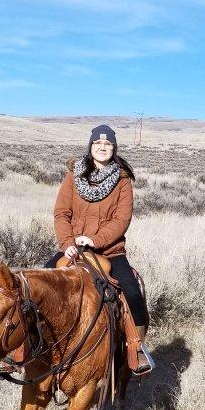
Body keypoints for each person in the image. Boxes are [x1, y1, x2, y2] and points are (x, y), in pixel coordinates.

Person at [50, 124, 153, 376]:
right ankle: (28, 349)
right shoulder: (73, 176)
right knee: (41, 285)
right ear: (91, 146)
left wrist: (95, 240)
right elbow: (62, 213)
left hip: (110, 251)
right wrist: (68, 244)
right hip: (73, 249)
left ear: (114, 148)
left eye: (107, 144)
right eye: (98, 144)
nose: (103, 147)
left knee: (132, 293)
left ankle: (136, 348)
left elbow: (122, 219)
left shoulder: (123, 180)